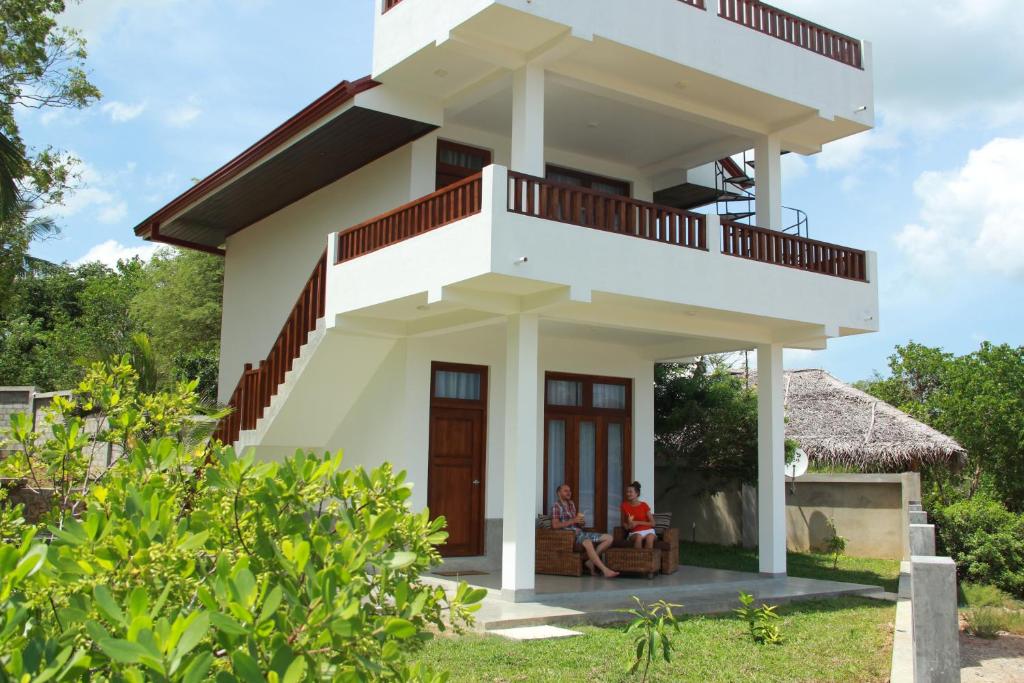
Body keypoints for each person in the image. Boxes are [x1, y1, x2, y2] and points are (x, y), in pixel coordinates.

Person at [551, 483, 619, 578]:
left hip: (580, 533)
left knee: (609, 538)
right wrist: (573, 520)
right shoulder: (556, 506)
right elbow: (555, 525)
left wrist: (581, 522)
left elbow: (576, 523)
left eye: (569, 491)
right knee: (587, 542)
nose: (569, 493)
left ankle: (590, 561)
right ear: (559, 493)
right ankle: (605, 570)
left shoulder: (571, 504)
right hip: (569, 536)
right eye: (565, 491)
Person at [620, 481, 657, 550]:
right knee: (638, 537)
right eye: (627, 492)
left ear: (637, 493)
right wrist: (627, 526)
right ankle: (638, 559)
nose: (628, 494)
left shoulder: (644, 505)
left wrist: (637, 522)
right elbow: (623, 522)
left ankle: (647, 559)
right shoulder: (624, 505)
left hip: (648, 530)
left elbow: (653, 523)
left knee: (650, 537)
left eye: (630, 492)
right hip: (635, 532)